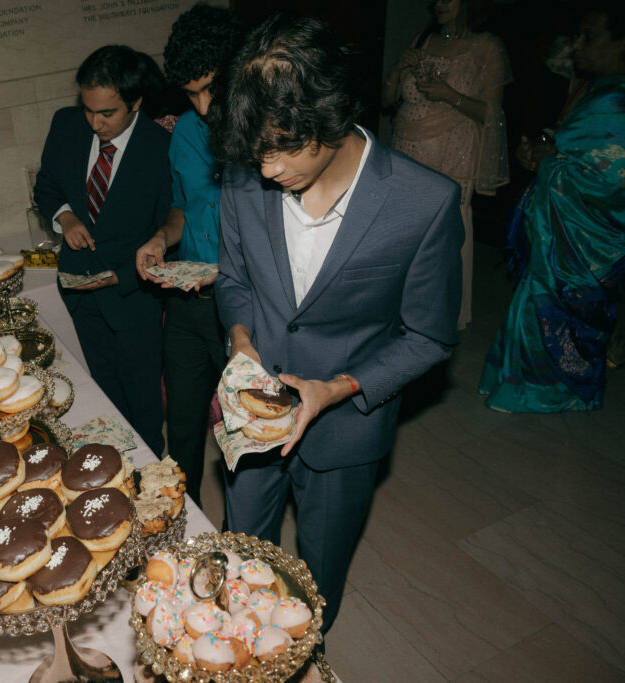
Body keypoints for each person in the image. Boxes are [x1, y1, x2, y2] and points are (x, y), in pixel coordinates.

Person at [211, 14, 463, 632]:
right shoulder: (245, 181)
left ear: (334, 113)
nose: (268, 168)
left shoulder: (423, 202)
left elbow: (429, 335)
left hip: (347, 428)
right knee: (239, 557)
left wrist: (338, 388)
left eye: (284, 146)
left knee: (316, 580)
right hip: (254, 412)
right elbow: (236, 280)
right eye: (257, 149)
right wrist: (241, 341)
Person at [479, 3, 625, 412]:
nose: (576, 45)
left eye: (589, 36)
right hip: (564, 235)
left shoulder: (617, 99)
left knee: (560, 305)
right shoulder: (596, 88)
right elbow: (572, 149)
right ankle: (523, 385)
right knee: (536, 297)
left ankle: (549, 393)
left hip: (590, 240)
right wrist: (543, 153)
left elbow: (611, 180)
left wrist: (548, 162)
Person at [134, 4, 246, 508]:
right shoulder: (183, 133)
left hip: (242, 309)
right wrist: (161, 239)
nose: (202, 107)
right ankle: (183, 522)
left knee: (240, 436)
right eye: (191, 93)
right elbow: (182, 206)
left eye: (211, 90)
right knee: (181, 426)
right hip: (186, 304)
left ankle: (235, 545)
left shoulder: (263, 137)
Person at [34, 45, 171, 454]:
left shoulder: (161, 148)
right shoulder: (66, 125)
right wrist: (66, 217)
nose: (95, 123)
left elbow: (170, 230)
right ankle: (112, 467)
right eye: (89, 110)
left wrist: (122, 276)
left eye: (107, 113)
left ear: (136, 102)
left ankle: (150, 473)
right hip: (78, 291)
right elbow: (47, 185)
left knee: (143, 400)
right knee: (101, 391)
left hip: (133, 295)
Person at [381, 0, 511, 329]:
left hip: (451, 155)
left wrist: (448, 94)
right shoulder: (422, 39)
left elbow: (492, 114)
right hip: (406, 149)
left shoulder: (487, 46)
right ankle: (394, 307)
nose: (439, 3)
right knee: (401, 233)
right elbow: (385, 101)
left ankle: (436, 315)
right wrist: (398, 69)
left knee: (442, 237)